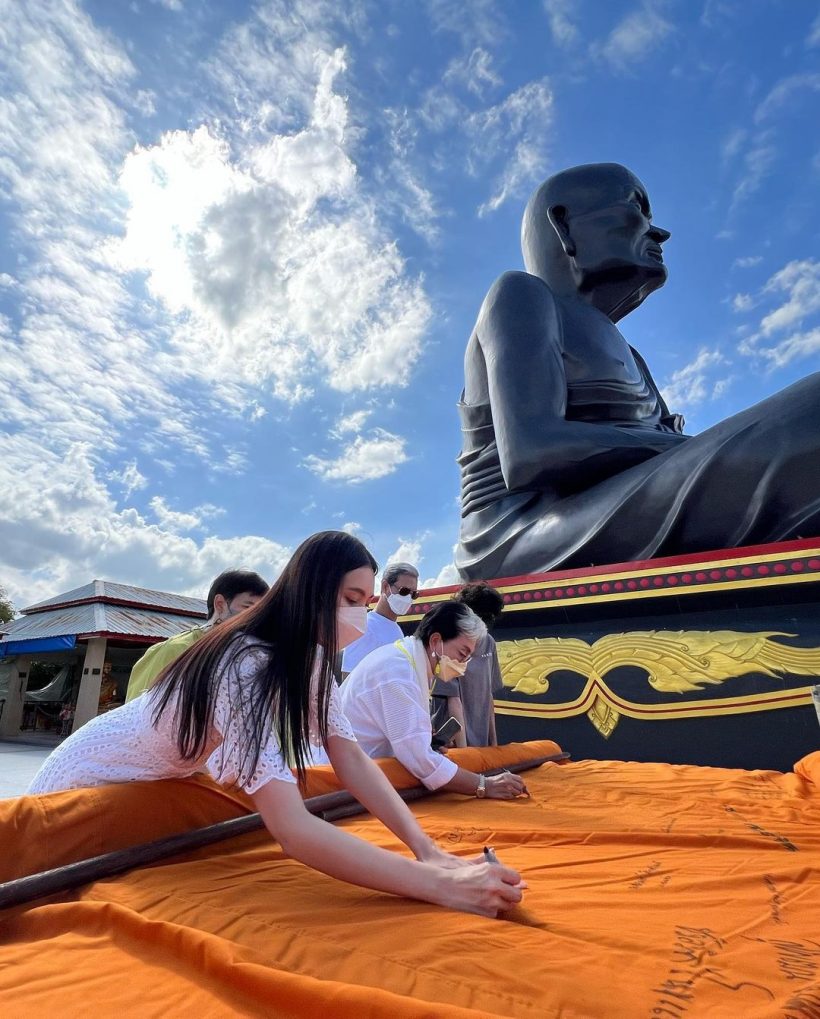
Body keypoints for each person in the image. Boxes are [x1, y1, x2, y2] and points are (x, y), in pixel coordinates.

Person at [28, 532, 523, 919]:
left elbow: (348, 756)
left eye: (366, 599)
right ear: (311, 590)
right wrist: (439, 886)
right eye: (352, 597)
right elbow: (291, 829)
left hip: (143, 788)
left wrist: (428, 852)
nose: (361, 614)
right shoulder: (244, 662)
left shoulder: (309, 661)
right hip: (83, 780)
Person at [455, 162, 820, 581]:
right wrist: (696, 449)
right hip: (523, 533)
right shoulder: (521, 294)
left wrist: (699, 448)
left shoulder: (630, 352)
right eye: (637, 209)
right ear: (563, 225)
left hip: (608, 504)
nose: (656, 231)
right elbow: (531, 453)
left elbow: (666, 449)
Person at [340, 601, 525, 799]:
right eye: (462, 654)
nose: (463, 664)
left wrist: (427, 742)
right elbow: (420, 760)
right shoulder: (397, 672)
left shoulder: (409, 662)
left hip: (362, 771)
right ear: (436, 641)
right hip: (340, 782)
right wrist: (484, 785)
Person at [125, 570, 269, 701]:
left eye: (261, 610)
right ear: (220, 604)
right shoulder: (177, 651)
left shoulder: (250, 657)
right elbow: (137, 717)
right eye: (248, 607)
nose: (257, 617)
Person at [431, 584, 505, 747]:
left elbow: (489, 696)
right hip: (451, 744)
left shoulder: (489, 643)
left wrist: (494, 744)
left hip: (481, 742)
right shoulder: (450, 642)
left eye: (489, 618)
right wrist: (464, 750)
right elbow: (454, 701)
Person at [340, 561, 419, 676]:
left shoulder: (396, 630)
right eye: (404, 591)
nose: (408, 598)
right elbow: (349, 680)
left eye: (414, 594)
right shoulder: (366, 627)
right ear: (385, 587)